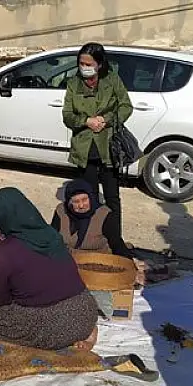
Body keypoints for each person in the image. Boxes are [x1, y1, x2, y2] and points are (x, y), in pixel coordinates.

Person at [0, 187, 99, 351]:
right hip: (85, 311)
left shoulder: (4, 251)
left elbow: (2, 299)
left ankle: (68, 335)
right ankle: (89, 332)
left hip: (53, 329)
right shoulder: (50, 234)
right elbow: (33, 261)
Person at [62, 42, 134, 259]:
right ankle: (90, 240)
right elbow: (67, 115)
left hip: (108, 147)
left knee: (112, 198)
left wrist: (107, 119)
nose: (84, 67)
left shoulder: (112, 80)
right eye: (81, 63)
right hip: (85, 149)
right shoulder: (73, 83)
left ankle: (115, 240)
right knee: (89, 198)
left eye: (88, 64)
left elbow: (126, 106)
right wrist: (86, 121)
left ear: (99, 64)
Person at [51, 178, 133, 258]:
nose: (81, 205)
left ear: (91, 197)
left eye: (84, 200)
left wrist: (129, 261)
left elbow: (116, 244)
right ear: (69, 203)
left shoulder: (104, 214)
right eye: (76, 202)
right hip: (66, 257)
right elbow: (51, 238)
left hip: (97, 259)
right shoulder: (61, 211)